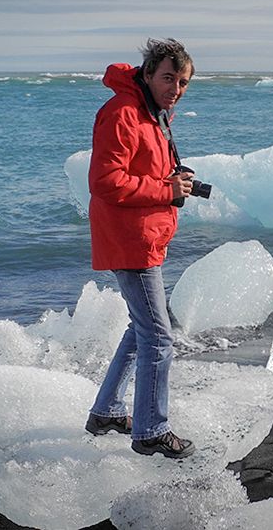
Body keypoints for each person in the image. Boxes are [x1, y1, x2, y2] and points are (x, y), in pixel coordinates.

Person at [84, 38, 196, 459]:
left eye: (183, 81)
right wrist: (164, 188)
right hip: (129, 238)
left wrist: (172, 177)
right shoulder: (123, 113)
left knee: (143, 328)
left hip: (144, 236)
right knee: (158, 337)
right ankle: (150, 430)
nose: (176, 88)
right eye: (169, 77)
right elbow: (104, 182)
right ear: (147, 73)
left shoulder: (152, 114)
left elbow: (138, 171)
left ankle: (106, 412)